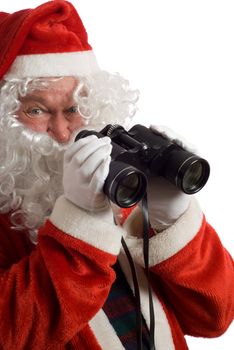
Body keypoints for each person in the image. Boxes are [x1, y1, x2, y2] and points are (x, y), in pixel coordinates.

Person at [0, 1, 233, 349]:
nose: (63, 132)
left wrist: (173, 223)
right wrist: (80, 224)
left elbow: (216, 315)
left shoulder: (122, 192)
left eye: (75, 108)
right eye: (36, 109)